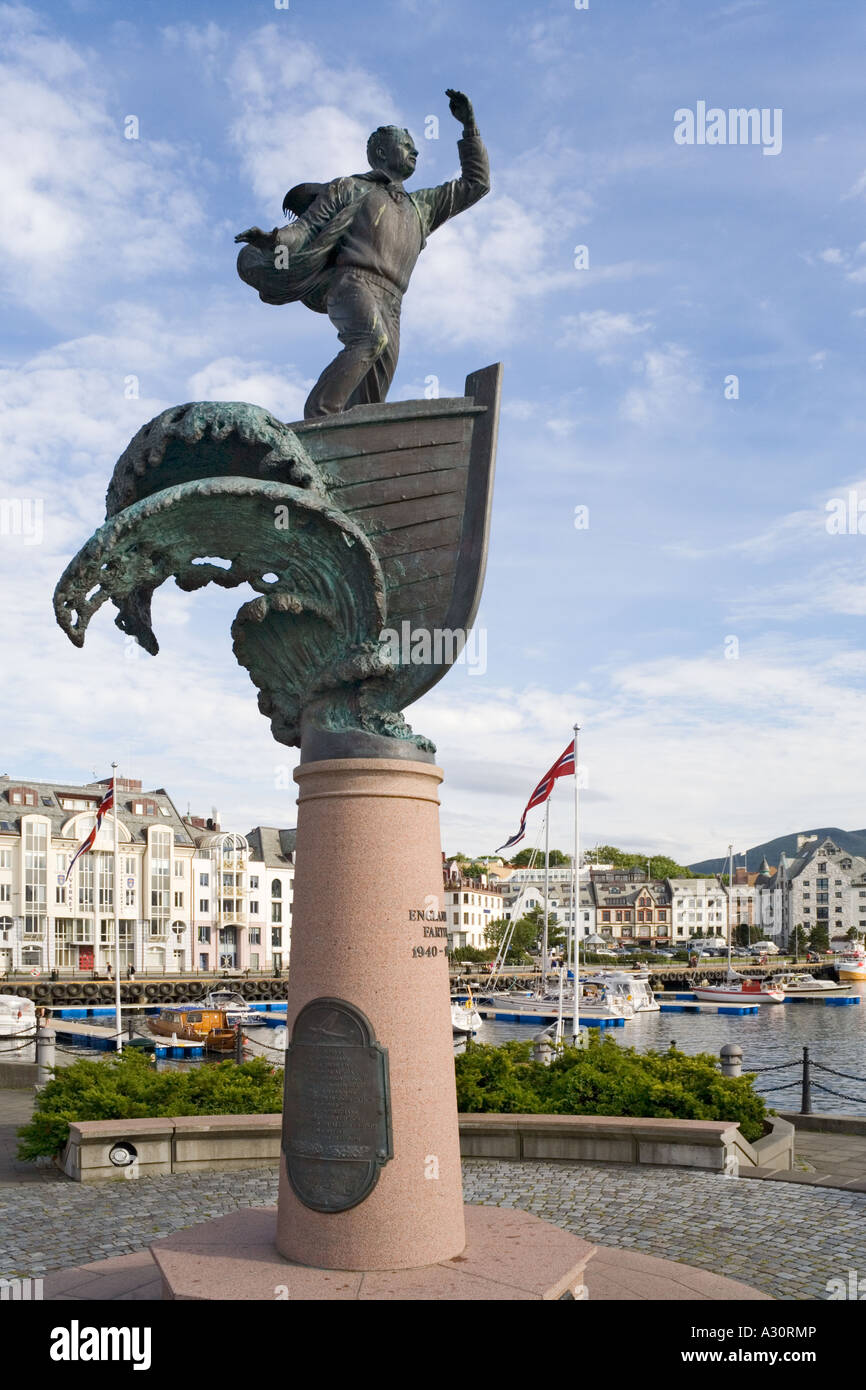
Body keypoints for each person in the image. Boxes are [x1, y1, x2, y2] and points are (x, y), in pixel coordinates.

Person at [235, 89, 489, 418]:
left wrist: (469, 127)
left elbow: (476, 184)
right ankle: (321, 415)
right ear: (382, 151)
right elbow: (308, 229)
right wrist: (274, 240)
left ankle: (355, 438)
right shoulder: (350, 187)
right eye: (406, 144)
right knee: (370, 338)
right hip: (353, 284)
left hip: (394, 301)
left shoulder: (422, 206)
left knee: (372, 395)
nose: (415, 151)